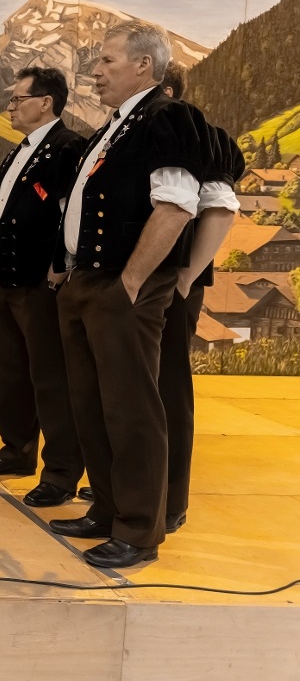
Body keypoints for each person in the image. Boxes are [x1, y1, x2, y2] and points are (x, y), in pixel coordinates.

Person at [48, 21, 207, 568]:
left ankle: (139, 531)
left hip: (124, 283)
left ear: (144, 65)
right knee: (91, 402)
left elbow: (177, 204)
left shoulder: (167, 117)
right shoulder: (115, 126)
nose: (95, 71)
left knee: (131, 408)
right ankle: (108, 510)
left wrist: (132, 282)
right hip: (86, 281)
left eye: (107, 61)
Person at [0, 68, 86, 506]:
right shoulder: (23, 148)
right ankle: (16, 450)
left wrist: (56, 268)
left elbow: (70, 216)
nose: (10, 107)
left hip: (36, 281)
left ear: (46, 102)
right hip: (2, 274)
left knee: (49, 377)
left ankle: (60, 472)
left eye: (17, 99)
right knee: (10, 370)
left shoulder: (68, 148)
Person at [156, 64, 242, 533]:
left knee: (168, 387)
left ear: (165, 89)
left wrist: (187, 276)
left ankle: (171, 498)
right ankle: (138, 482)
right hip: (138, 283)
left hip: (171, 283)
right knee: (135, 389)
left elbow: (222, 207)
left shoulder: (206, 135)